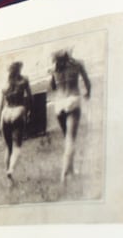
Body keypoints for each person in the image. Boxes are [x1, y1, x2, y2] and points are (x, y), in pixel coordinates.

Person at [49, 49, 91, 183]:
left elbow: (53, 87)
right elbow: (87, 82)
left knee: (67, 138)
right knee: (70, 139)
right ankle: (64, 175)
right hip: (72, 100)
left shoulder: (54, 68)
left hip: (59, 104)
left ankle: (71, 170)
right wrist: (87, 93)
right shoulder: (78, 64)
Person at [0, 61, 32, 183]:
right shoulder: (24, 81)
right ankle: (11, 169)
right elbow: (30, 98)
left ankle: (9, 180)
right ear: (19, 70)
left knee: (8, 147)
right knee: (17, 146)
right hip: (18, 111)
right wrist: (28, 112)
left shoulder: (4, 85)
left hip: (5, 114)